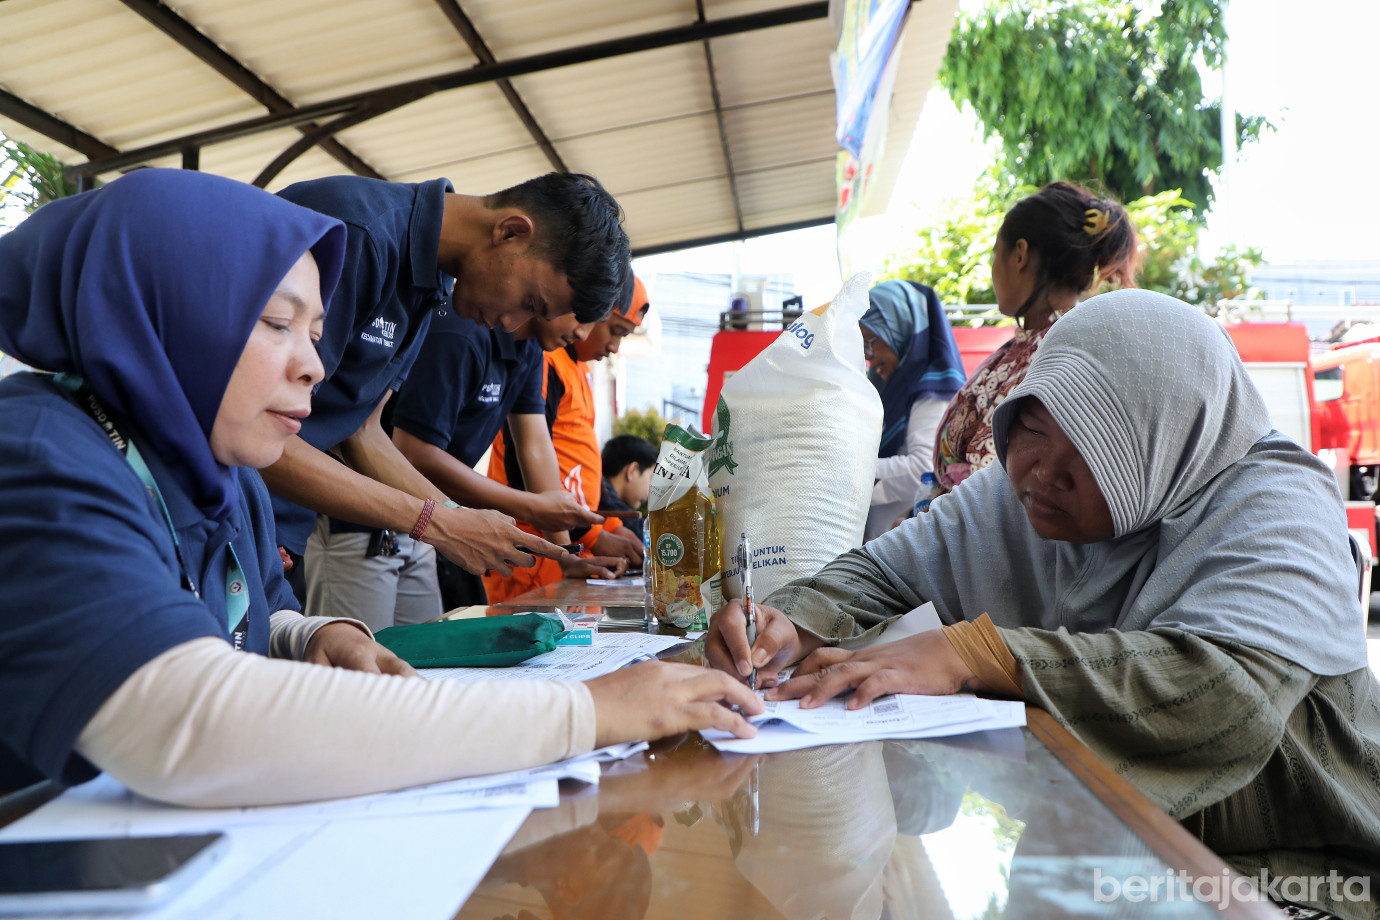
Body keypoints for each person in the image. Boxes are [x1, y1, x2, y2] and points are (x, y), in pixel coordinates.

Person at [0, 169, 760, 806]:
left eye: (317, 332)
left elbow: (251, 617)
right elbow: (186, 720)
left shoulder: (226, 483)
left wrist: (317, 635)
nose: (314, 369)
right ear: (161, 310)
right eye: (274, 323)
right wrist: (582, 712)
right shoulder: (41, 460)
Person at [708, 290, 1380, 919]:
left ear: (1161, 438)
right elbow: (879, 574)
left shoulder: (1275, 503)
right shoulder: (1016, 494)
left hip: (1298, 865)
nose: (1042, 472)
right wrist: (786, 622)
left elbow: (1217, 691)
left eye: (1093, 446)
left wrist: (974, 653)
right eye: (1031, 429)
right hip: (1101, 838)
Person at [262, 173, 633, 608]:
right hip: (212, 512)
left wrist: (456, 520)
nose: (514, 325)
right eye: (530, 303)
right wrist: (435, 522)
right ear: (511, 231)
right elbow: (259, 432)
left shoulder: (432, 281)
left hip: (275, 530)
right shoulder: (359, 234)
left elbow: (361, 431)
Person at [388, 307, 623, 614]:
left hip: (423, 519)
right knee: (355, 654)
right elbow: (415, 454)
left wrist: (565, 555)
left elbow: (535, 445)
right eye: (580, 315)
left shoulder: (531, 349)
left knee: (414, 655)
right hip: (366, 521)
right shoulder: (463, 335)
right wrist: (530, 508)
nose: (583, 332)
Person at [932, 181, 1139, 493]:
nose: (991, 270)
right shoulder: (1051, 341)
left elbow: (992, 481)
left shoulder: (1058, 349)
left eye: (993, 255)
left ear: (1020, 255)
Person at [483, 277, 651, 603]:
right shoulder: (547, 360)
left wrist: (611, 525)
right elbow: (521, 459)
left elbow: (583, 466)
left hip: (567, 547)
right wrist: (592, 534)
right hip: (532, 549)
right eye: (615, 331)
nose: (614, 347)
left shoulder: (578, 370)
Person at [858, 280, 967, 540]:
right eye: (863, 346)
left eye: (871, 342)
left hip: (902, 543)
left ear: (899, 329)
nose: (869, 356)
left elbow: (923, 467)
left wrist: (857, 470)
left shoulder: (933, 391)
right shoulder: (893, 387)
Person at [598, 433, 658, 543]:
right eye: (651, 478)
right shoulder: (604, 499)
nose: (652, 490)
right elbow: (644, 535)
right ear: (632, 470)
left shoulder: (602, 493)